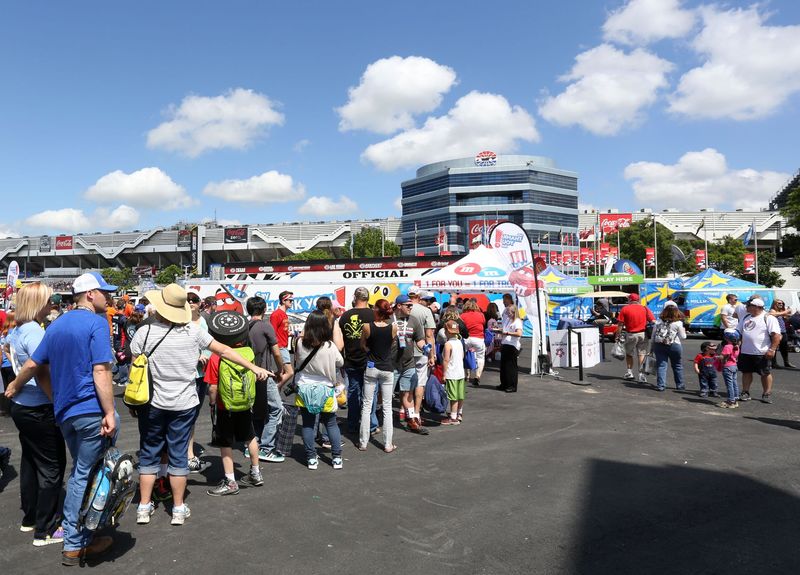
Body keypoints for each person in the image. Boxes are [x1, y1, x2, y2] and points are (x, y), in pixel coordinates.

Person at [131, 285, 269, 524]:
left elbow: (136, 363)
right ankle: (178, 508)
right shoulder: (193, 331)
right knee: (177, 456)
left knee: (149, 454)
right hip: (183, 403)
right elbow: (224, 350)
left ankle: (143, 507)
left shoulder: (145, 332)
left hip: (152, 402)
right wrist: (253, 366)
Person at [8, 271, 119, 566]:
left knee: (81, 472)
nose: (108, 298)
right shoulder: (96, 323)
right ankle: (76, 540)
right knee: (91, 474)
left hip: (65, 413)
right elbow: (101, 370)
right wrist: (109, 411)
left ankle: (80, 533)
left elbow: (33, 364)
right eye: (104, 293)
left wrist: (15, 385)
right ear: (89, 295)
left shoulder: (55, 326)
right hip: (90, 410)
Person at [3, 282, 66, 546]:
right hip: (39, 406)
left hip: (23, 406)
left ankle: (31, 518)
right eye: (49, 299)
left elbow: (6, 348)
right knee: (52, 466)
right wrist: (57, 401)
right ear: (37, 303)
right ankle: (47, 528)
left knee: (31, 462)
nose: (52, 303)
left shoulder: (18, 330)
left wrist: (17, 380)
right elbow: (39, 370)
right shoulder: (34, 332)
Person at [204, 311, 273, 496]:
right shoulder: (248, 353)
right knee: (250, 436)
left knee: (225, 442)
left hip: (224, 405)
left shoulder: (215, 357)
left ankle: (230, 481)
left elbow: (212, 387)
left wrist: (212, 404)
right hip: (245, 402)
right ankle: (256, 473)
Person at [294, 311, 344, 470]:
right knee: (330, 423)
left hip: (304, 388)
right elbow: (340, 362)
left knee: (308, 424)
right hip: (326, 389)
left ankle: (311, 458)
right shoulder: (330, 346)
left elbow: (297, 360)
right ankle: (336, 458)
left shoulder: (299, 343)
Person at [247, 295, 290, 463]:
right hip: (264, 373)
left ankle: (253, 443)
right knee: (276, 409)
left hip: (248, 373)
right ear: (264, 310)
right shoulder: (266, 326)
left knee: (257, 410)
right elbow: (277, 352)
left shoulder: (244, 326)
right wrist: (280, 369)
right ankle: (266, 447)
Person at [358, 299, 397, 453]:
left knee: (367, 405)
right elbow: (391, 344)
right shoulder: (393, 327)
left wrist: (369, 352)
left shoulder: (367, 327)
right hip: (387, 367)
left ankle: (363, 442)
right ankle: (388, 444)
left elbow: (362, 345)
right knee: (387, 406)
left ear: (376, 310)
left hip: (371, 367)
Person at [339, 287, 375, 435]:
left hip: (351, 359)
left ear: (355, 297)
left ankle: (353, 423)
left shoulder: (345, 316)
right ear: (367, 298)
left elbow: (339, 340)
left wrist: (341, 358)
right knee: (370, 393)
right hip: (371, 359)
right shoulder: (373, 315)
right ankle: (371, 424)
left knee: (354, 393)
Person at [737, 297, 781, 404]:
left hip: (762, 352)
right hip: (746, 351)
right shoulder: (746, 317)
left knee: (765, 373)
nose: (746, 307)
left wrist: (772, 349)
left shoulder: (768, 318)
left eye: (748, 305)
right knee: (746, 372)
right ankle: (745, 392)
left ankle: (766, 393)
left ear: (756, 307)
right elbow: (738, 332)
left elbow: (776, 335)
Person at [392, 295, 425, 431]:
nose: (411, 308)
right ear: (399, 306)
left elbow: (420, 340)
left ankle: (412, 421)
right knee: (384, 395)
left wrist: (426, 348)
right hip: (391, 364)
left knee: (407, 393)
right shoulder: (389, 319)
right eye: (408, 305)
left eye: (411, 305)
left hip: (408, 363)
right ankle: (374, 419)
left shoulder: (414, 320)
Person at [407, 286, 436, 429]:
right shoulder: (425, 311)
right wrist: (431, 354)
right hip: (421, 350)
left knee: (405, 381)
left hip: (404, 351)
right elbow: (429, 335)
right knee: (420, 382)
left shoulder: (403, 308)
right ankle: (416, 413)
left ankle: (405, 410)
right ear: (419, 296)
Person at [615, 293, 655, 383]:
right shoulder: (644, 308)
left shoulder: (625, 309)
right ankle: (641, 375)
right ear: (638, 300)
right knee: (642, 354)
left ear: (630, 300)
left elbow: (620, 324)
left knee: (629, 354)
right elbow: (652, 320)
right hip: (643, 334)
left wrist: (617, 335)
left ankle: (630, 372)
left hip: (631, 334)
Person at [650, 305, 687, 392]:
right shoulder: (678, 323)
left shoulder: (658, 322)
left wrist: (651, 347)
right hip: (674, 345)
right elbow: (683, 337)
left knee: (661, 365)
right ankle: (680, 385)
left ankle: (661, 385)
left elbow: (653, 336)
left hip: (658, 345)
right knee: (677, 365)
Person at [440, 320, 466, 425]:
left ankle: (453, 417)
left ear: (447, 331)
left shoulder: (448, 344)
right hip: (460, 372)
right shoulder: (459, 342)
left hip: (452, 372)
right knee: (460, 395)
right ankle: (459, 413)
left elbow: (446, 360)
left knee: (453, 396)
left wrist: (444, 373)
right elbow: (463, 356)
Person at [496, 304, 523, 393]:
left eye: (509, 312)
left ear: (514, 313)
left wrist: (507, 333)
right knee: (503, 366)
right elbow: (505, 329)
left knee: (511, 367)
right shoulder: (508, 320)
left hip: (512, 346)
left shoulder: (517, 321)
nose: (507, 314)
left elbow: (519, 333)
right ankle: (504, 384)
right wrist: (498, 330)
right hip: (505, 344)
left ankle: (512, 385)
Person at [460, 299, 486, 386]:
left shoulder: (462, 315)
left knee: (465, 356)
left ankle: (467, 375)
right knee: (480, 357)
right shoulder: (481, 315)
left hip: (466, 338)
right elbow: (483, 323)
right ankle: (477, 376)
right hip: (478, 338)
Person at [768, 299, 795, 368]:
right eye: (779, 303)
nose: (781, 304)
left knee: (784, 348)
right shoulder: (772, 310)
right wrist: (786, 312)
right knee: (774, 348)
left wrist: (787, 316)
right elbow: (772, 314)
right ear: (774, 304)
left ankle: (786, 362)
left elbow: (785, 319)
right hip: (776, 332)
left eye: (782, 303)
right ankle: (774, 363)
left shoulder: (780, 311)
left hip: (783, 331)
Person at [269, 290, 293, 367]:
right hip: (280, 347)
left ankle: (271, 378)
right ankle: (270, 379)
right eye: (290, 300)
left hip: (284, 346)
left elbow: (281, 330)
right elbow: (272, 332)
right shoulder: (276, 314)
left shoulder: (284, 314)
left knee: (283, 372)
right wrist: (276, 348)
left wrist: (288, 333)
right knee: (289, 372)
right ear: (283, 300)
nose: (292, 302)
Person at [718, 329, 741, 409]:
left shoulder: (727, 346)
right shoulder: (737, 346)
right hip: (734, 366)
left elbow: (723, 357)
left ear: (726, 338)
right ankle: (735, 399)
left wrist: (716, 357)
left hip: (727, 367)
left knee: (729, 384)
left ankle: (730, 401)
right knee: (734, 383)